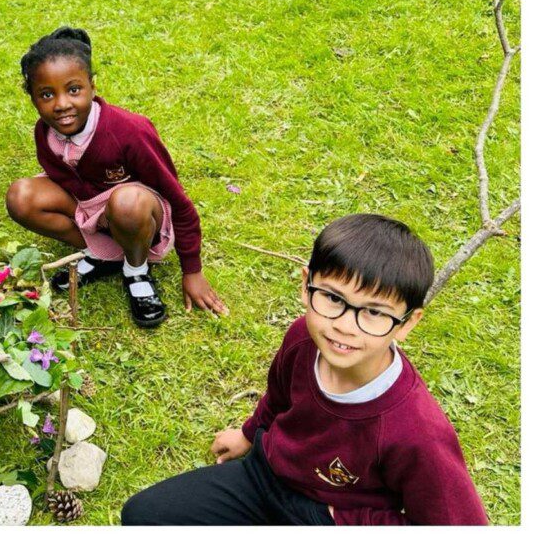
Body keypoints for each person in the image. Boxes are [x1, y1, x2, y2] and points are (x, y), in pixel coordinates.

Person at [122, 214, 489, 524]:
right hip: (264, 476)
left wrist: (347, 519)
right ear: (305, 286)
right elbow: (279, 394)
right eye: (332, 298)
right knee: (142, 515)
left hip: (332, 517)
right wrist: (249, 434)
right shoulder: (303, 337)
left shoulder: (417, 430)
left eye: (374, 312)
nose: (345, 325)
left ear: (407, 323)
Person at [4, 26, 222, 327]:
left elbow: (178, 201)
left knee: (126, 202)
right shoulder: (45, 133)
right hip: (92, 209)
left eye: (74, 89)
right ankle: (104, 255)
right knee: (21, 197)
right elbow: (66, 181)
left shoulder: (130, 131)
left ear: (92, 87)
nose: (62, 104)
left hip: (139, 213)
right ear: (32, 98)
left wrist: (192, 270)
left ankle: (136, 269)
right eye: (46, 94)